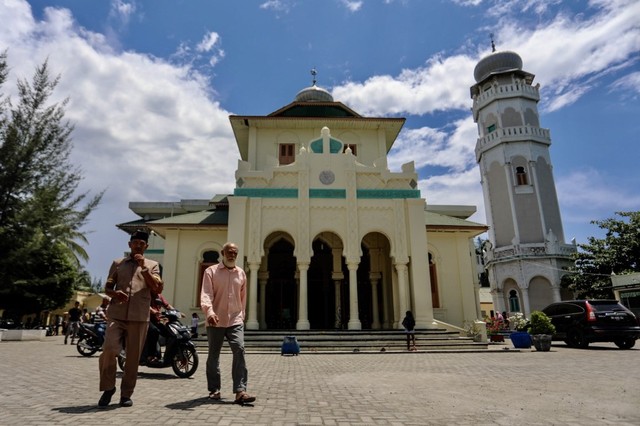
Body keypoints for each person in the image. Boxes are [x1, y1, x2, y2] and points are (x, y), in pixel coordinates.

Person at [97, 230, 163, 408]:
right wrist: (114, 293)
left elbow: (157, 288)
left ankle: (126, 394)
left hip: (139, 317)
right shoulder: (118, 263)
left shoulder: (153, 265)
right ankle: (108, 388)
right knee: (110, 349)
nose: (138, 245)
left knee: (133, 358)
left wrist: (144, 268)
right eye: (135, 242)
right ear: (129, 244)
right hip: (117, 314)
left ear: (147, 246)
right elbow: (108, 286)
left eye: (142, 243)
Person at [200, 242, 256, 404]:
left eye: (235, 253)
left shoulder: (241, 274)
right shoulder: (211, 272)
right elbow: (206, 294)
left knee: (239, 348)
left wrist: (242, 316)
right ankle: (214, 389)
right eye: (229, 252)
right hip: (215, 319)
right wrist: (209, 312)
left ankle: (240, 391)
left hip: (235, 319)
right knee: (213, 355)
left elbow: (243, 298)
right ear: (222, 253)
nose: (232, 255)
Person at [144, 292, 173, 363]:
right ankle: (151, 355)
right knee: (154, 331)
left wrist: (176, 312)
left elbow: (167, 305)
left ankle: (169, 355)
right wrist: (153, 311)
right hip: (147, 320)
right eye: (159, 286)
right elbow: (145, 305)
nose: (161, 289)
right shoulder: (147, 294)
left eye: (162, 287)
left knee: (170, 332)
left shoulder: (159, 296)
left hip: (157, 320)